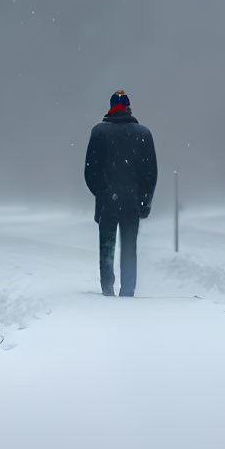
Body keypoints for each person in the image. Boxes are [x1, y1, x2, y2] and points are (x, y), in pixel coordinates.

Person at [83, 90, 158, 297]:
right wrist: (145, 200)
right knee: (129, 249)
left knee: (106, 248)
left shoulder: (99, 132)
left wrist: (102, 193)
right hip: (132, 202)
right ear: (128, 107)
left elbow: (90, 171)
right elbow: (150, 173)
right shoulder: (143, 134)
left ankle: (107, 289)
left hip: (108, 202)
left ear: (110, 108)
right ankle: (128, 291)